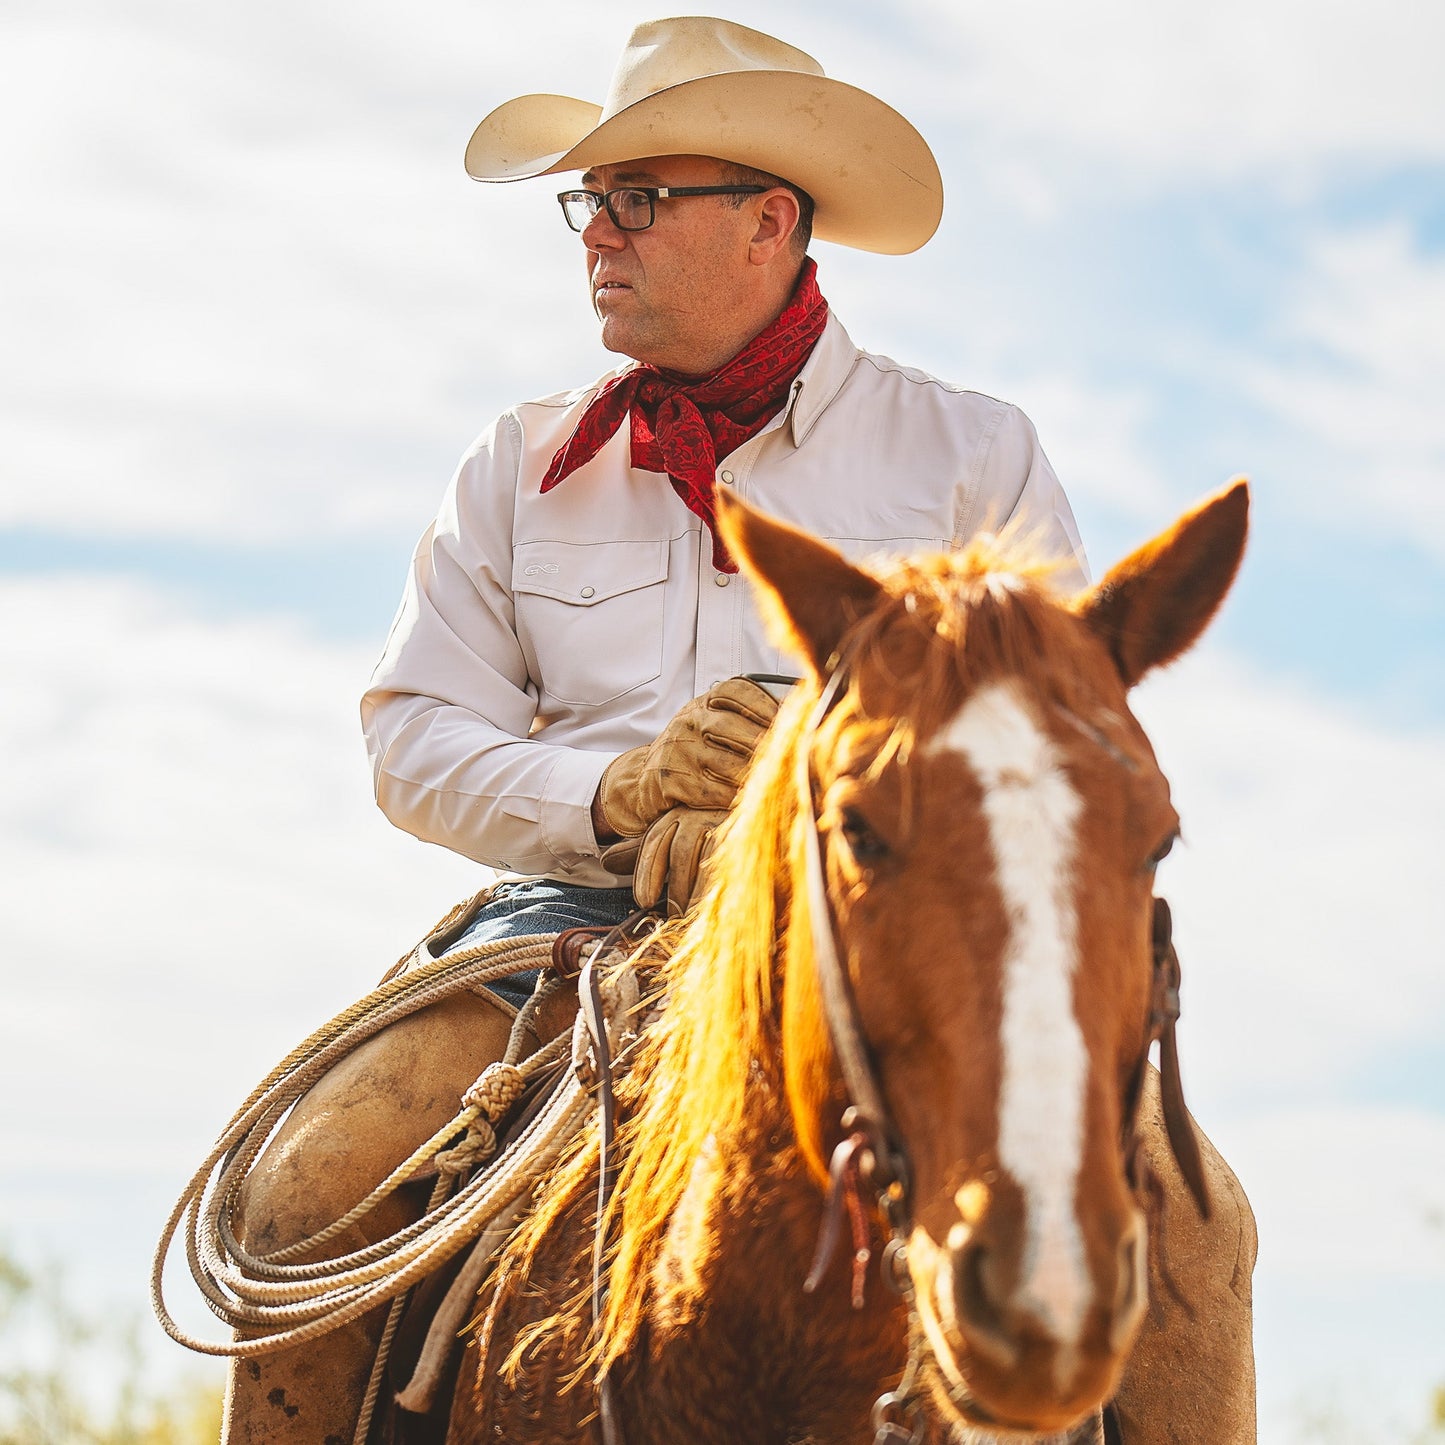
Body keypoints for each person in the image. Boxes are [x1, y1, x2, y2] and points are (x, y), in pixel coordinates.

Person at [224, 17, 1256, 1443]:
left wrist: (799, 802)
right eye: (590, 203)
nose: (598, 235)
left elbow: (1048, 744)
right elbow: (412, 736)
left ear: (771, 220)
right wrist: (617, 789)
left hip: (890, 935)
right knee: (315, 1178)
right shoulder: (516, 465)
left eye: (637, 199)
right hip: (564, 929)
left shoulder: (970, 451)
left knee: (1199, 1236)